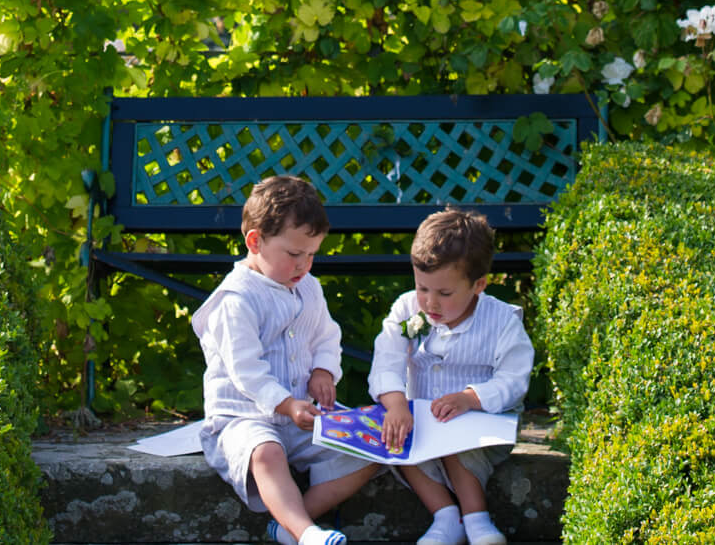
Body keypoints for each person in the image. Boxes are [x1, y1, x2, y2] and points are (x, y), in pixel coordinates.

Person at [193, 175, 379, 545]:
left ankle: (292, 525)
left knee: (370, 451)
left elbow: (326, 335)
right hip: (242, 418)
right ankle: (309, 534)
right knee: (266, 454)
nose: (304, 265)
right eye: (294, 254)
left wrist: (324, 369)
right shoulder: (236, 299)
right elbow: (246, 370)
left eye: (311, 254)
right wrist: (285, 403)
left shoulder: (308, 287)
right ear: (255, 241)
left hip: (300, 417)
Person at [369, 207, 534, 545]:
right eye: (422, 288)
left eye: (444, 294)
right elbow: (387, 359)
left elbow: (514, 379)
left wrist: (470, 399)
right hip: (421, 422)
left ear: (479, 285)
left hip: (480, 427)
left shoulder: (502, 322)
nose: (430, 303)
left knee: (456, 441)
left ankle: (476, 518)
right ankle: (445, 516)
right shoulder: (406, 310)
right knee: (394, 440)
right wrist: (397, 404)